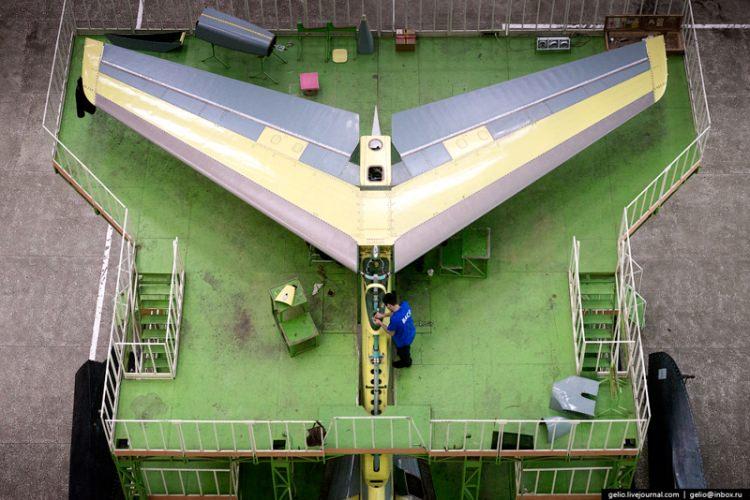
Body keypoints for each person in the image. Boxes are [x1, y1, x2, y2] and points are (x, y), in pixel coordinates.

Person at [373, 292, 416, 368]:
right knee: (403, 350)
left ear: (389, 305)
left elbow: (391, 333)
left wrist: (380, 323)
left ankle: (406, 363)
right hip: (411, 331)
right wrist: (382, 315)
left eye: (386, 305)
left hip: (403, 341)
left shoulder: (395, 320)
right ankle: (403, 355)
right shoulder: (405, 305)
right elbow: (395, 312)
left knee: (404, 353)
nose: (386, 307)